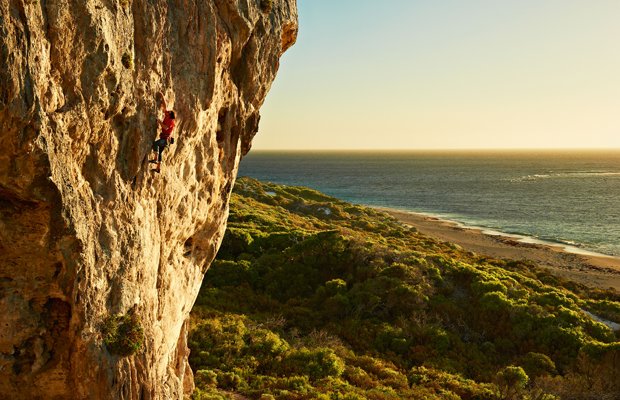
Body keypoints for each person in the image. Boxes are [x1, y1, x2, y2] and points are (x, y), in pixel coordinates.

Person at [150, 93, 176, 173]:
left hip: (165, 139)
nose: (166, 113)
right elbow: (165, 106)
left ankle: (155, 159)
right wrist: (162, 96)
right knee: (160, 153)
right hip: (164, 139)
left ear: (170, 115)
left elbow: (165, 127)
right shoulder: (168, 116)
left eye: (168, 113)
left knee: (155, 144)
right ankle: (158, 168)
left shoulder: (171, 121)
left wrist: (159, 121)